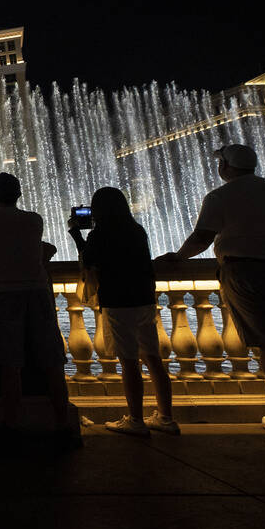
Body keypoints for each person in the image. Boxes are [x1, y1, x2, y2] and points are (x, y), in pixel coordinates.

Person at [159, 144, 265, 439]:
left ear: (225, 166)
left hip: (247, 273)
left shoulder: (220, 196)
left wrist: (178, 257)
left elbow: (202, 237)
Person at [0, 172, 76, 444]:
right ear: (19, 194)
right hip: (38, 292)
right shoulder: (34, 219)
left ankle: (12, 423)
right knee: (51, 360)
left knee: (10, 362)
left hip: (5, 293)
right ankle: (63, 423)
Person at [69, 187, 178, 437]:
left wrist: (75, 233)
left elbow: (88, 260)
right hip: (144, 298)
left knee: (129, 362)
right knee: (153, 359)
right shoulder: (136, 230)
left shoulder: (101, 234)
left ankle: (136, 421)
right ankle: (166, 418)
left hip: (118, 301)